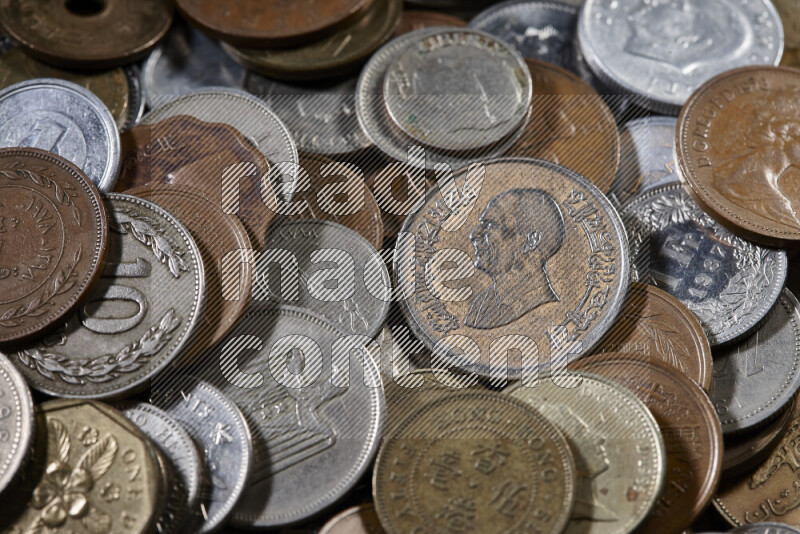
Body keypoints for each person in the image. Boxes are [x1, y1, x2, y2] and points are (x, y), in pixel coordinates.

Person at [464, 188, 565, 329]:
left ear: (531, 241)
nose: (474, 234)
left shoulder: (544, 308)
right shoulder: (480, 304)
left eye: (491, 225)